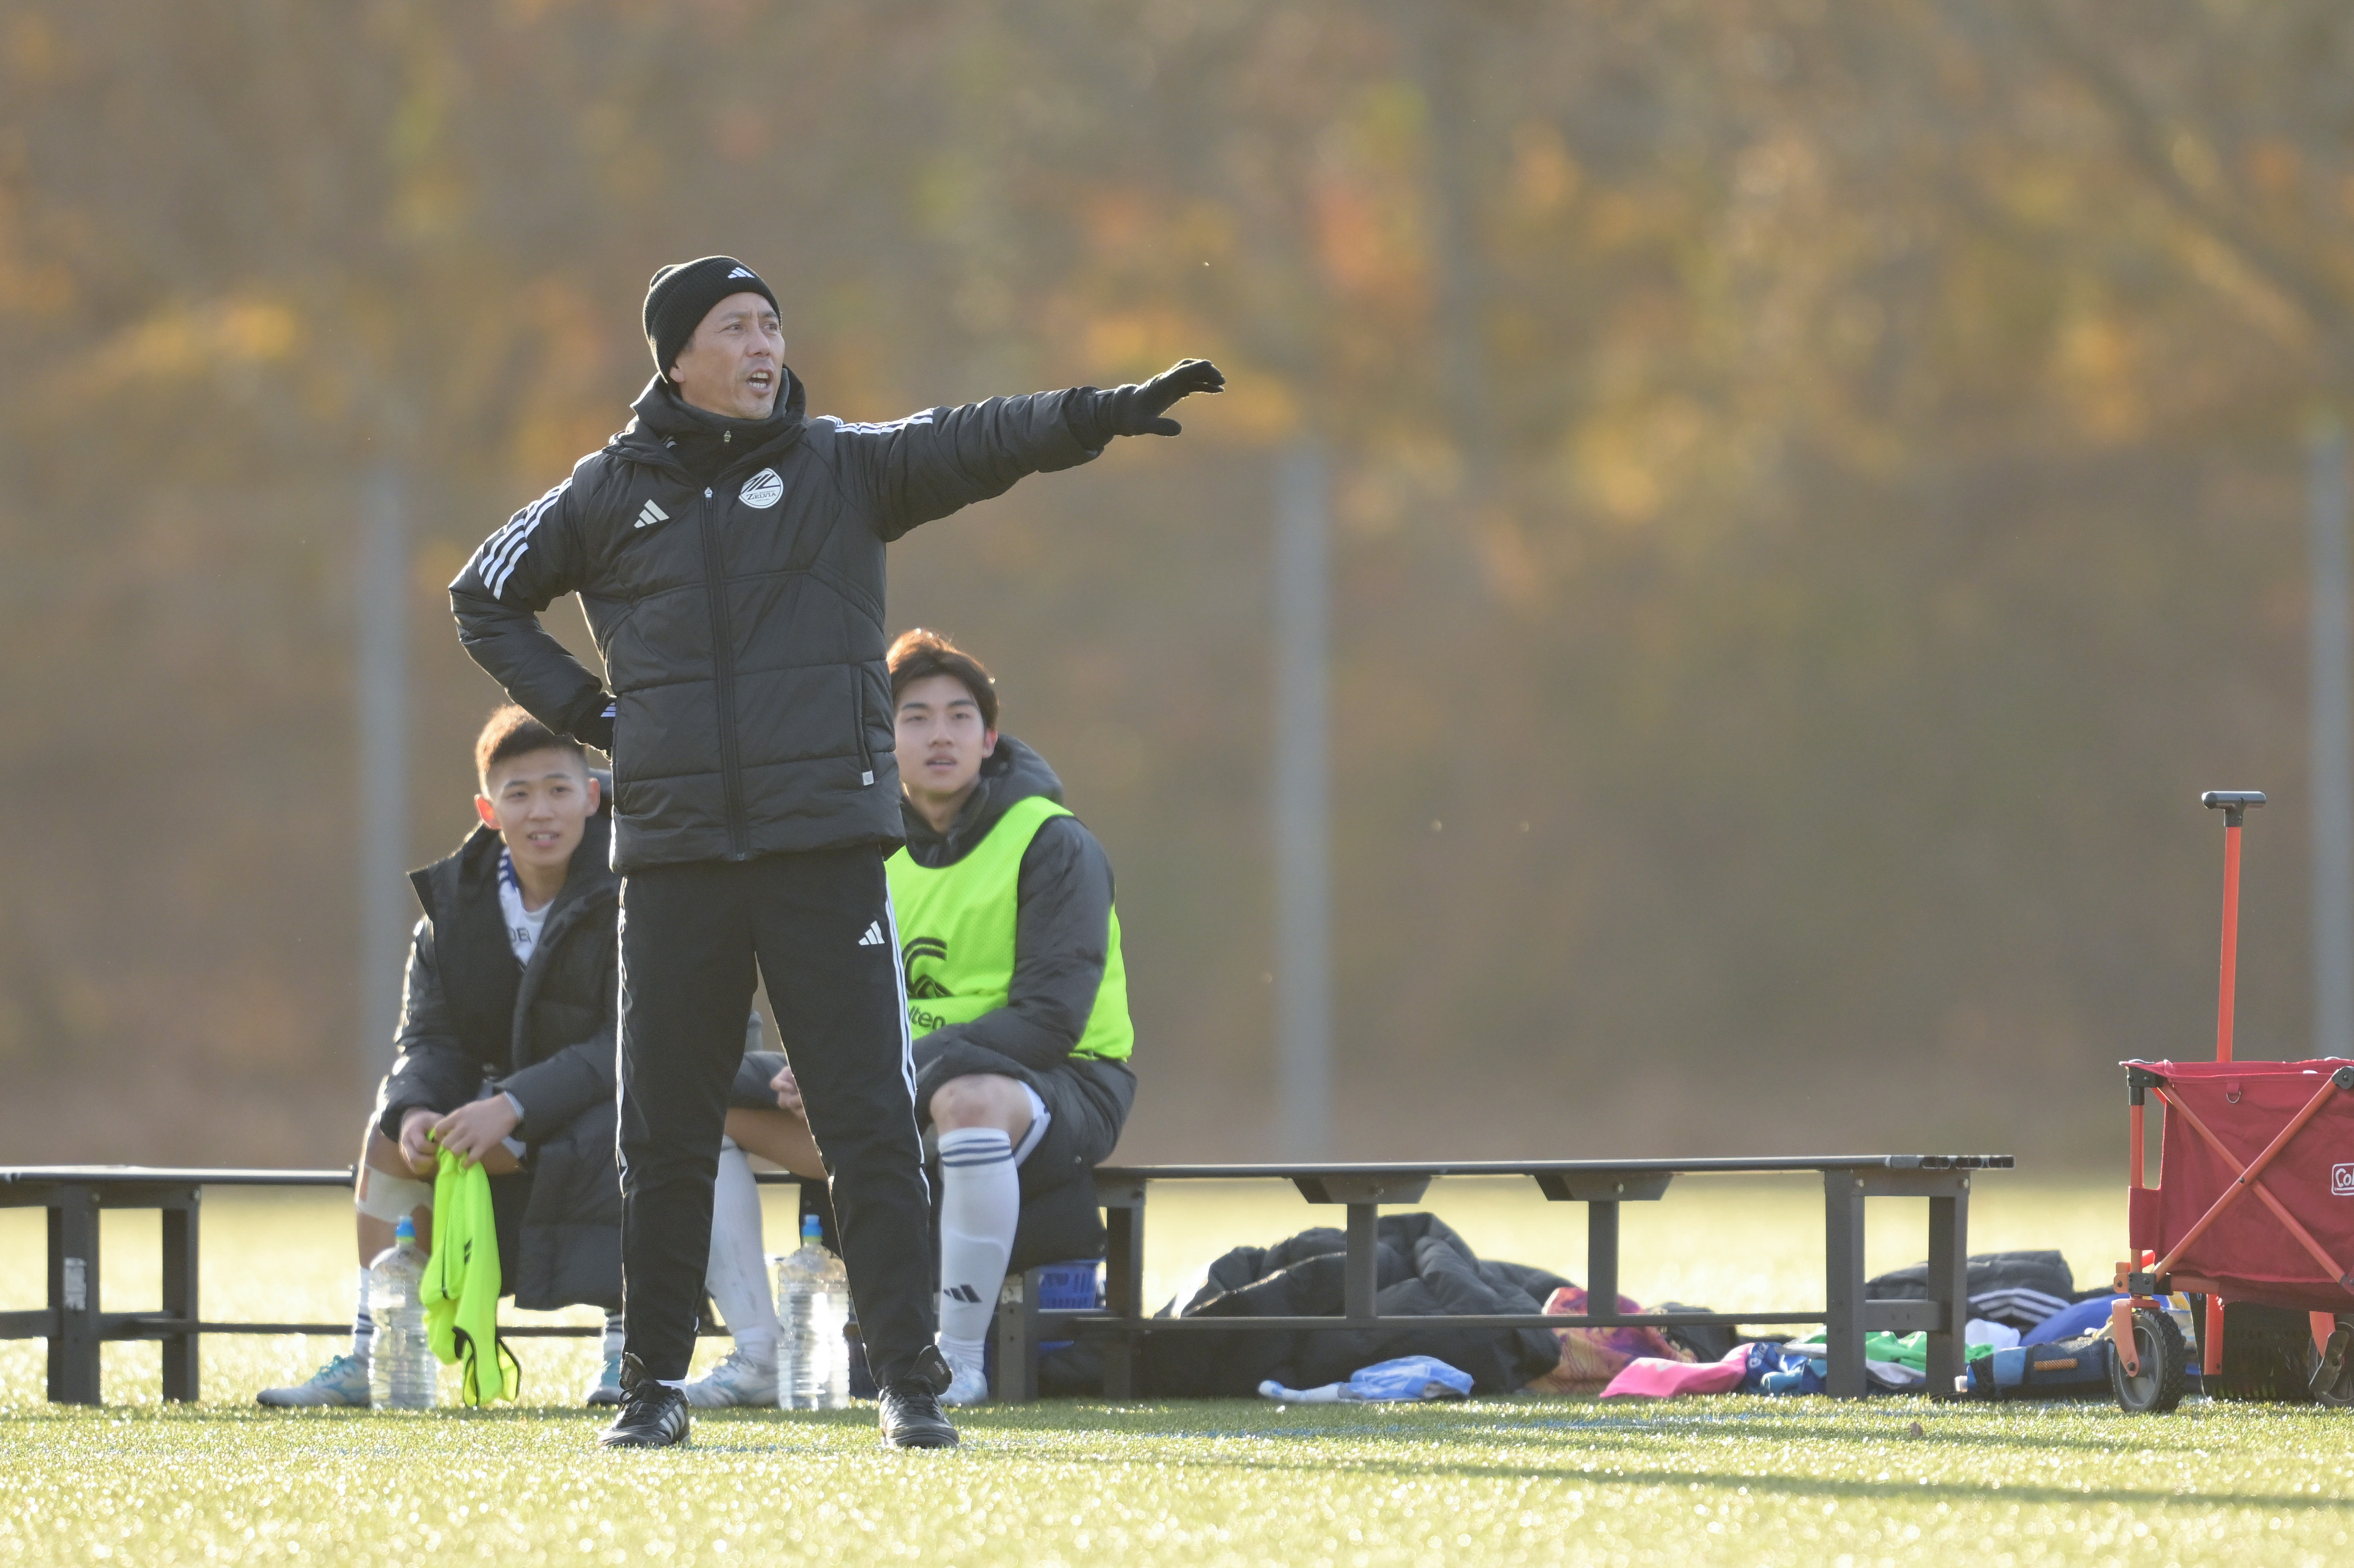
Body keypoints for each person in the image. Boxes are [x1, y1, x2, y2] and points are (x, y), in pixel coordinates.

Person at [449, 253, 1219, 1448]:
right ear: (676, 357)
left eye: (772, 324)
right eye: (735, 327)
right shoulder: (605, 490)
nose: (764, 345)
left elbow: (972, 438)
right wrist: (600, 717)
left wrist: (1096, 413)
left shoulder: (838, 465)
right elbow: (482, 594)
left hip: (823, 852)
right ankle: (651, 1388)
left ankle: (909, 1383)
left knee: (868, 1121)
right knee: (663, 1131)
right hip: (676, 859)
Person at [717, 629, 1136, 1407]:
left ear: (989, 738)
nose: (939, 735)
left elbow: (1049, 1023)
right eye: (914, 717)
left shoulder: (1054, 842)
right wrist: (822, 1068)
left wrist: (880, 1075)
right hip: (898, 1084)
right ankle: (759, 1354)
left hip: (1061, 1084)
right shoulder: (856, 852)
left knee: (966, 1099)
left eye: (958, 716)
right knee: (696, 1096)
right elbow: (828, 1000)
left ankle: (956, 1363)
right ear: (881, 740)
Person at [258, 706, 630, 1409]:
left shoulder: (637, 892)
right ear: (489, 811)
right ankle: (375, 1353)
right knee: (386, 1139)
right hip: (497, 1119)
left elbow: (631, 1042)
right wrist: (415, 1111)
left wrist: (513, 1105)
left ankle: (628, 1355)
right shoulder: (450, 914)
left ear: (590, 796)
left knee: (634, 1129)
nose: (540, 811)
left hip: (602, 1109)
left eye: (558, 790)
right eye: (518, 794)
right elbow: (428, 1039)